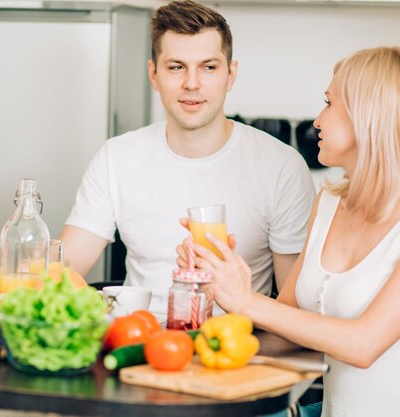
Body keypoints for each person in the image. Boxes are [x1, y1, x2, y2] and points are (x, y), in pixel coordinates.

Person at [177, 46, 400, 416]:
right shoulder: (328, 204)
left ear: (367, 116)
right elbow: (285, 326)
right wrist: (217, 286)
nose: (317, 120)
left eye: (329, 103)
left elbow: (364, 345)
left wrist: (247, 299)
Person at [60, 0, 315, 318]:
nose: (191, 83)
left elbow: (295, 309)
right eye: (176, 67)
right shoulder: (117, 157)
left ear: (230, 75)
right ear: (154, 74)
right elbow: (61, 270)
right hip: (136, 342)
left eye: (209, 67)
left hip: (235, 350)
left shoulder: (282, 167)